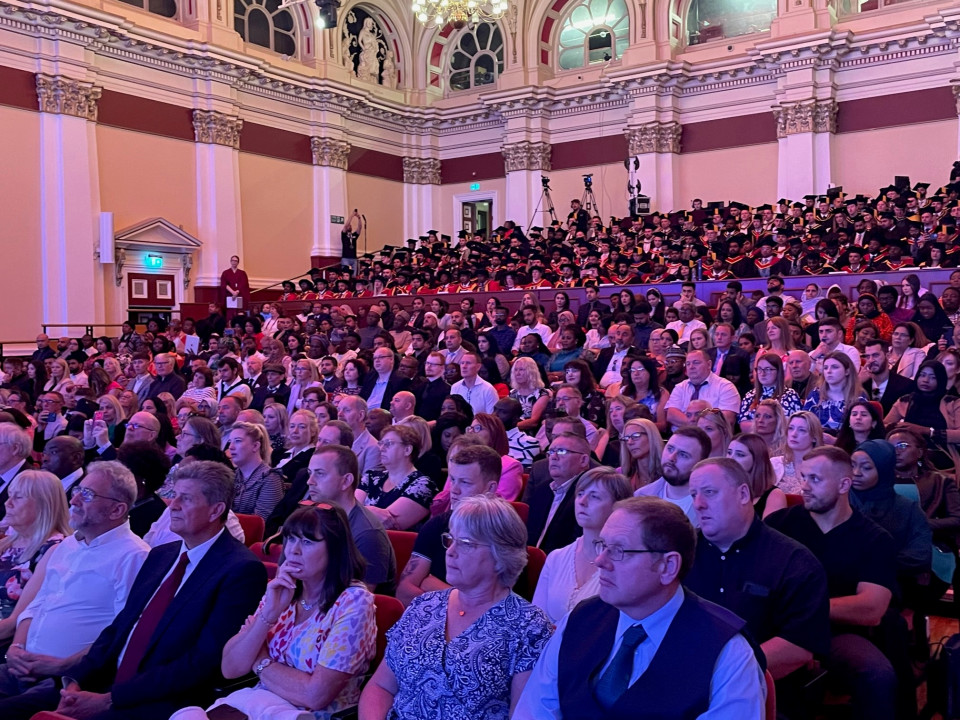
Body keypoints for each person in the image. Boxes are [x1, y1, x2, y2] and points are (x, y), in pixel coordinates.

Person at [38, 461, 268, 720]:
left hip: (160, 701)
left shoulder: (240, 570)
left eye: (187, 499)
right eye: (175, 495)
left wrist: (111, 699)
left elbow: (202, 661)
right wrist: (75, 681)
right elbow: (120, 627)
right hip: (103, 682)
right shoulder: (162, 555)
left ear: (215, 511)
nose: (174, 505)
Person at [514, 495, 766, 719]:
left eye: (619, 550)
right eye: (602, 546)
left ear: (667, 566)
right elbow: (535, 710)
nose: (600, 561)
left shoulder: (727, 652)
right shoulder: (579, 619)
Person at [360, 495, 554, 720]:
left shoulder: (529, 628)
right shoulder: (423, 606)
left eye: (466, 544)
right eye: (451, 540)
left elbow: (522, 715)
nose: (450, 552)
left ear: (501, 555)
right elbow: (381, 687)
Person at [180, 503, 375, 720]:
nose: (293, 550)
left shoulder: (354, 602)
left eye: (308, 541)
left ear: (335, 549)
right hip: (256, 707)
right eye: (291, 538)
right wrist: (269, 614)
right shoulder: (283, 590)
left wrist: (260, 660)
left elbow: (314, 696)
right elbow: (231, 668)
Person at [0, 462, 150, 717]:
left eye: (88, 494)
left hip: (66, 679)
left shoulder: (134, 556)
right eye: (78, 489)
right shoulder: (69, 545)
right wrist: (16, 647)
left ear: (117, 509)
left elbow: (121, 634)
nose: (75, 497)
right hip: (20, 663)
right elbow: (38, 603)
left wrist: (62, 665)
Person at [766, 446, 902, 720]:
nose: (804, 487)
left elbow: (871, 608)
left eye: (815, 479)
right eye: (804, 477)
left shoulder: (874, 539)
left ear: (843, 484)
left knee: (877, 674)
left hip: (836, 634)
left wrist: (806, 610)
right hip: (778, 629)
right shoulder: (779, 525)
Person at [685, 458, 830, 686]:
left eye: (710, 492)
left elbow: (798, 646)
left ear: (743, 495)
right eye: (693, 494)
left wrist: (719, 672)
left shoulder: (794, 562)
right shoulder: (682, 552)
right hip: (681, 681)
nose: (698, 504)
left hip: (761, 689)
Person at [396, 444, 501, 606]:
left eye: (465, 482)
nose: (454, 490)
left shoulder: (505, 533)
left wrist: (431, 585)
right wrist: (458, 598)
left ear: (490, 488)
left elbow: (491, 607)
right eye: (452, 480)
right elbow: (404, 591)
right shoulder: (437, 525)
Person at [533, 468, 633, 623]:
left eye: (594, 497)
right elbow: (536, 621)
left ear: (617, 506)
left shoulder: (626, 563)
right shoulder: (556, 557)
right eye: (580, 494)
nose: (582, 501)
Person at [300, 443, 396, 594]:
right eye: (310, 472)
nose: (310, 481)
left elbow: (359, 600)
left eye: (319, 473)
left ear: (346, 481)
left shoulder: (368, 533)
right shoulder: (309, 518)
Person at [850, 440, 932, 584]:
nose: (856, 473)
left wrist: (873, 563)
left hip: (891, 584)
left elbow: (920, 556)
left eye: (866, 467)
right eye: (852, 465)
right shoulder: (838, 501)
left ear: (884, 470)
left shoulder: (908, 509)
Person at [0, 470, 70, 635]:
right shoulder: (6, 543)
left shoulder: (56, 549)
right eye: (10, 495)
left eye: (18, 497)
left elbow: (14, 623)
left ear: (43, 504)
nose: (7, 503)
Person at [358, 424, 436, 531]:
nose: (381, 448)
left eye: (388, 444)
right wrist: (370, 511)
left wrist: (359, 510)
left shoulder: (423, 485)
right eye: (381, 443)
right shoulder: (371, 477)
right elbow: (347, 512)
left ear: (407, 450)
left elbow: (385, 525)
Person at [528, 432, 592, 554]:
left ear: (583, 460)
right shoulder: (542, 490)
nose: (553, 457)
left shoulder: (588, 495)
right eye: (551, 452)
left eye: (562, 451)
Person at [636, 425, 710, 527]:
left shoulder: (712, 505)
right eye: (670, 449)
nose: (671, 458)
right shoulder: (641, 497)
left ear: (701, 463)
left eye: (683, 454)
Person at [664, 350, 741, 430]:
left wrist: (699, 427)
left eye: (696, 362)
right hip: (682, 438)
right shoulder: (680, 387)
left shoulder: (725, 387)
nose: (691, 367)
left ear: (709, 364)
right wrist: (697, 425)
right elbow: (671, 415)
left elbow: (727, 418)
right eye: (688, 364)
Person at [229, 422, 285, 520]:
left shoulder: (270, 478)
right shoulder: (232, 475)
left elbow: (259, 522)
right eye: (230, 442)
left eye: (238, 441)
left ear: (255, 446)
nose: (231, 447)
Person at [802, 351, 865, 434]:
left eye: (834, 367)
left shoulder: (858, 397)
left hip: (846, 444)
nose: (828, 371)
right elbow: (804, 424)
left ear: (847, 371)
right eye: (825, 368)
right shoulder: (815, 394)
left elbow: (861, 432)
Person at [726, 433, 787, 518]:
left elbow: (768, 530)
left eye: (740, 455)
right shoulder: (723, 489)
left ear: (756, 460)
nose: (730, 459)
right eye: (729, 452)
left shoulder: (774, 495)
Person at [861, 339, 916, 415]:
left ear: (887, 356)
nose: (870, 360)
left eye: (875, 355)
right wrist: (857, 382)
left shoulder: (906, 385)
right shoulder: (861, 383)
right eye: (867, 356)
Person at [618, 418, 663, 492]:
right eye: (626, 438)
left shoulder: (667, 473)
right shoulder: (622, 474)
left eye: (636, 436)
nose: (629, 442)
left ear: (651, 436)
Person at [451, 351, 499, 416]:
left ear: (478, 367)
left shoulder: (488, 389)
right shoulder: (455, 387)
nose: (464, 366)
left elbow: (492, 418)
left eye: (468, 363)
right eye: (462, 363)